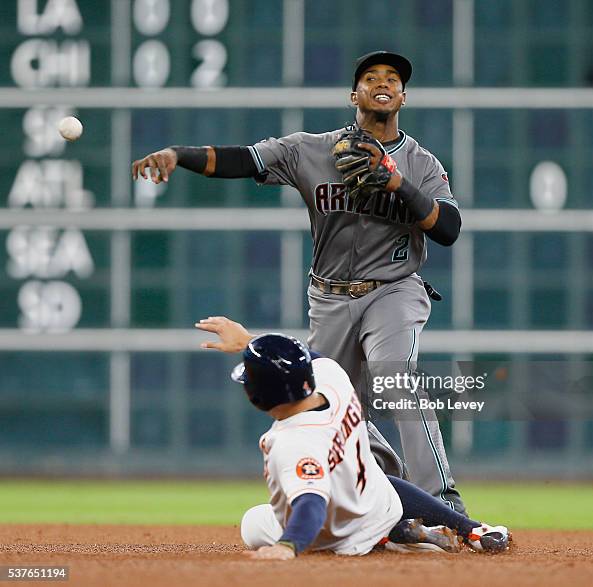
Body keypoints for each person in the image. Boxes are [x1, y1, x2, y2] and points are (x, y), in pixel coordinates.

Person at [133, 50, 465, 513]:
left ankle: (442, 502)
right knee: (333, 405)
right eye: (371, 77)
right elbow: (242, 160)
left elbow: (447, 228)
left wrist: (396, 183)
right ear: (355, 94)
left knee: (394, 375)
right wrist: (178, 154)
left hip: (394, 288)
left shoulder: (420, 163)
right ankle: (388, 491)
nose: (382, 82)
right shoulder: (310, 150)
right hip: (329, 297)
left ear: (403, 97)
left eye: (392, 78)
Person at [194, 316, 509, 560]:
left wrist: (288, 546)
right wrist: (250, 342)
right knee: (374, 477)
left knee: (254, 522)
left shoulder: (290, 442)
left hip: (342, 531)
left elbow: (310, 503)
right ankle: (473, 529)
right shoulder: (333, 379)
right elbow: (310, 358)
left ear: (259, 396)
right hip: (379, 503)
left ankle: (385, 540)